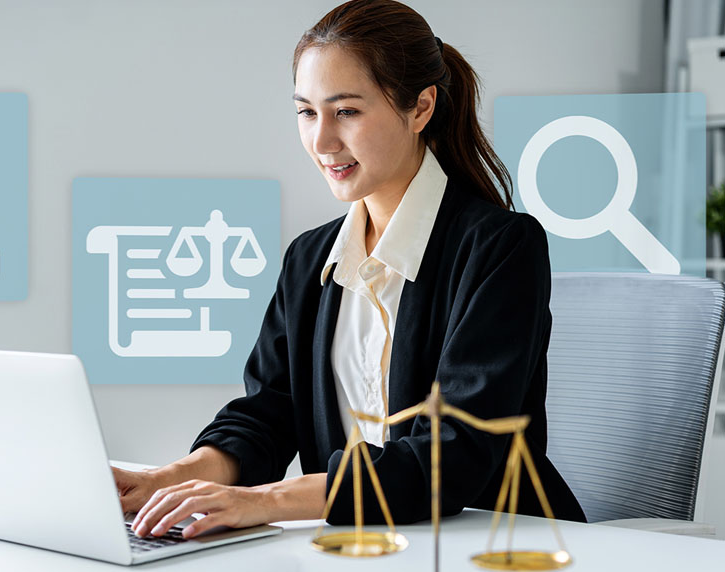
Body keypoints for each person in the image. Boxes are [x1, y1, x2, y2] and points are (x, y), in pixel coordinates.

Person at [114, 0, 586, 539]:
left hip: (484, 543)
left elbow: (456, 452)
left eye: (347, 112)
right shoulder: (310, 259)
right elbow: (268, 414)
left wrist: (263, 501)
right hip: (358, 545)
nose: (321, 142)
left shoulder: (499, 247)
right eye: (307, 112)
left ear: (421, 107)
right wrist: (169, 480)